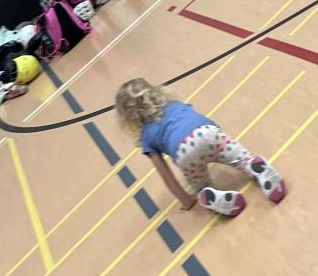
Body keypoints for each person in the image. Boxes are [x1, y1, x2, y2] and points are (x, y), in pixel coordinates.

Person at [116, 78, 285, 217]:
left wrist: (186, 200)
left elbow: (165, 173)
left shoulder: (146, 136)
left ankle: (209, 195)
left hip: (184, 152)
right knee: (240, 158)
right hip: (208, 133)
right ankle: (254, 166)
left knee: (201, 185)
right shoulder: (174, 105)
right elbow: (200, 119)